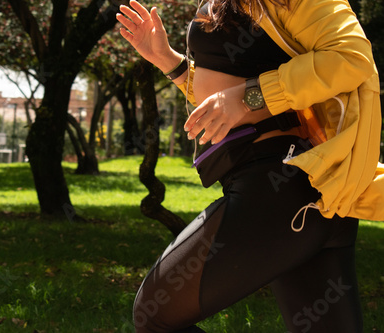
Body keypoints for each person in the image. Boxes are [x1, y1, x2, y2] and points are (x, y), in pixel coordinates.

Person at [117, 0, 383, 332]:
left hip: (283, 184)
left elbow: (351, 58)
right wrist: (170, 63)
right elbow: (229, 95)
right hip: (299, 198)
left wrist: (248, 97)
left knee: (155, 314)